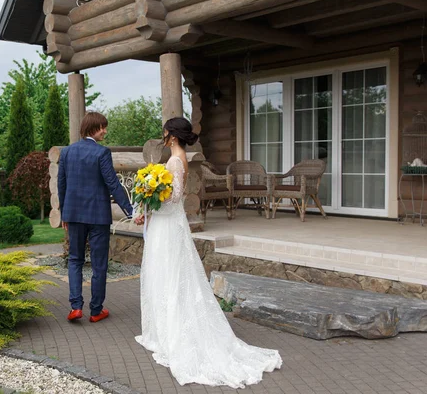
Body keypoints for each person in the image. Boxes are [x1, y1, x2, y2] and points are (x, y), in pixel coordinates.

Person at [135, 117, 282, 389]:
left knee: (169, 274)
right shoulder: (177, 158)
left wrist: (148, 194)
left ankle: (172, 334)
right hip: (168, 224)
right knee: (168, 274)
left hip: (168, 226)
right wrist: (150, 196)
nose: (163, 134)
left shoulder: (176, 161)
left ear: (173, 136)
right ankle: (163, 330)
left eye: (165, 131)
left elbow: (174, 197)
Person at [58, 112, 134, 323]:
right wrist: (130, 211)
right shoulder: (102, 153)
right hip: (98, 216)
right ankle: (96, 310)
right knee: (99, 264)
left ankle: (75, 308)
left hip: (73, 214)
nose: (105, 131)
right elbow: (113, 185)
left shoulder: (67, 153)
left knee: (75, 260)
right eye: (102, 127)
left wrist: (64, 212)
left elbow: (61, 184)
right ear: (93, 128)